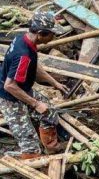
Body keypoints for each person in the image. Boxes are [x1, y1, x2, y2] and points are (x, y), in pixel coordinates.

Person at [0, 11, 68, 158]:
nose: (53, 37)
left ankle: (51, 147)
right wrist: (35, 104)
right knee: (30, 144)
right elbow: (9, 86)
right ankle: (33, 166)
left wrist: (54, 83)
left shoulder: (24, 40)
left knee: (49, 112)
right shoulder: (22, 54)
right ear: (41, 34)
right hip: (9, 97)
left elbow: (34, 66)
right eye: (52, 34)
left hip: (22, 89)